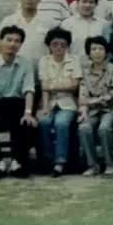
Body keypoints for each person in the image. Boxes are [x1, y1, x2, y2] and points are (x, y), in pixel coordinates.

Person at [0, 25, 38, 179]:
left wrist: (28, 113)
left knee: (27, 124)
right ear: (0, 41)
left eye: (17, 41)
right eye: (9, 40)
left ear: (21, 44)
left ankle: (18, 162)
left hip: (19, 106)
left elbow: (29, 90)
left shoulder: (25, 64)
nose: (12, 44)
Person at [36, 27, 82, 176]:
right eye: (55, 44)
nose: (59, 48)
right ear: (49, 45)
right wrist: (45, 107)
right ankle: (48, 159)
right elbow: (44, 87)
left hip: (68, 103)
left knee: (61, 123)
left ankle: (60, 162)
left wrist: (52, 86)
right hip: (49, 102)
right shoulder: (44, 61)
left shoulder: (74, 60)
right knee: (44, 122)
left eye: (63, 44)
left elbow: (74, 85)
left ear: (67, 46)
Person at [77, 36, 113, 175]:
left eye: (101, 49)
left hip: (110, 109)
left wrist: (95, 100)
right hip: (91, 110)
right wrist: (84, 112)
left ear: (106, 52)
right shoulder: (85, 72)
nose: (97, 52)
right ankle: (92, 165)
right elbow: (83, 97)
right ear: (89, 53)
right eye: (93, 49)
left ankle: (109, 163)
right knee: (84, 128)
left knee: (104, 128)